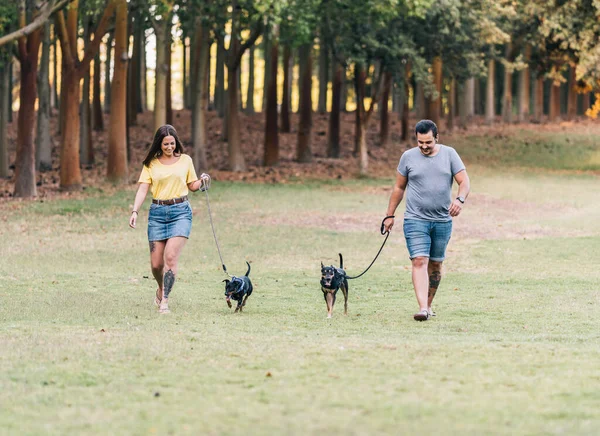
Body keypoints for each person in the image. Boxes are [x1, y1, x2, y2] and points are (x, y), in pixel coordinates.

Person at [383, 120, 470, 321]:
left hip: (442, 220)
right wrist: (389, 215)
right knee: (419, 260)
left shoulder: (449, 154)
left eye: (428, 142)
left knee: (436, 265)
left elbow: (464, 181)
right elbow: (399, 188)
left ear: (436, 138)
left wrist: (459, 199)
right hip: (415, 219)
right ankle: (422, 308)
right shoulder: (408, 157)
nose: (423, 146)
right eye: (420, 142)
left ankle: (429, 304)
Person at [129, 124, 211, 314]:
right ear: (159, 144)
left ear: (176, 143)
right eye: (165, 144)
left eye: (172, 143)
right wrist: (135, 211)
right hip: (157, 213)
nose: (169, 147)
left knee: (171, 257)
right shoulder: (151, 163)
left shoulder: (185, 160)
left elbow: (192, 185)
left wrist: (203, 181)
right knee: (156, 265)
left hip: (181, 212)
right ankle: (160, 287)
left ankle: (164, 301)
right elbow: (143, 188)